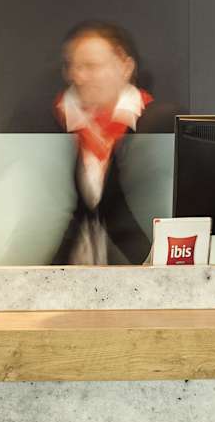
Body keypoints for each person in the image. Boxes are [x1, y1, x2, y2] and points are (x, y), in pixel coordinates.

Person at [53, 21, 153, 265]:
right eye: (73, 66)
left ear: (125, 68)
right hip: (71, 277)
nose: (78, 76)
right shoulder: (56, 126)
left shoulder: (155, 126)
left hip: (138, 275)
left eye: (91, 66)